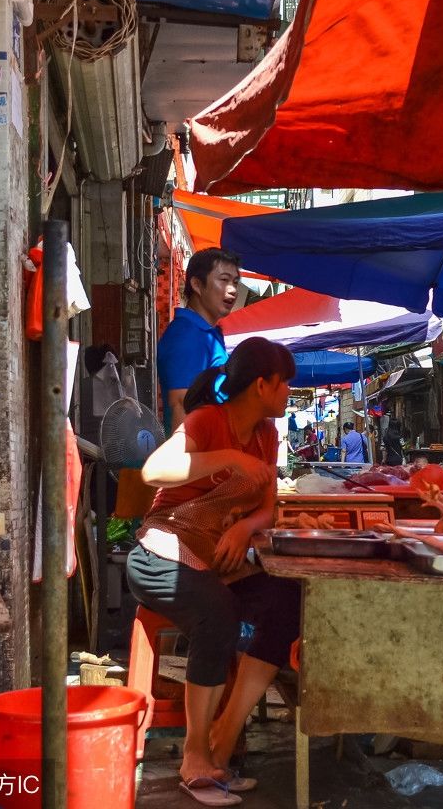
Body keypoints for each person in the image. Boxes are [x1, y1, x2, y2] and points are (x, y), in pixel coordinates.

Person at [125, 337, 299, 804]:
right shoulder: (207, 420)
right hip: (159, 555)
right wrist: (227, 458)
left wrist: (244, 530)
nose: (289, 395)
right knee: (217, 615)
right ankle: (194, 756)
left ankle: (225, 734)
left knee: (287, 600)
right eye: (285, 386)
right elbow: (153, 471)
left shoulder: (268, 435)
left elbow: (268, 510)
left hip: (219, 556)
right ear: (262, 384)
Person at [157, 248, 242, 434]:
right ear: (196, 284)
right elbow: (181, 407)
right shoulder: (186, 336)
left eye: (235, 282)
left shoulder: (208, 333)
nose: (233, 290)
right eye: (224, 280)